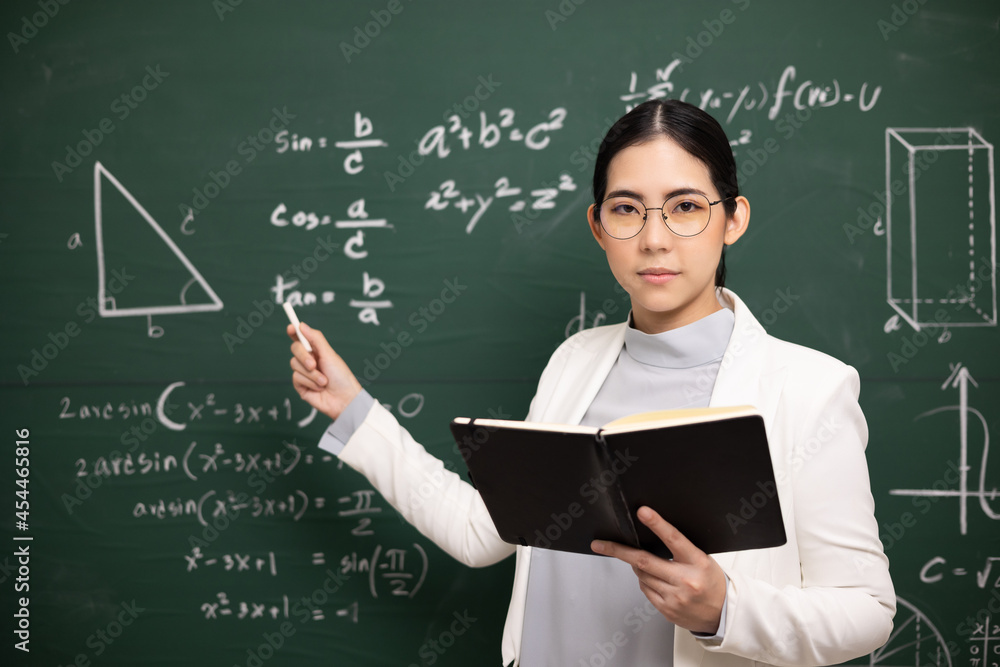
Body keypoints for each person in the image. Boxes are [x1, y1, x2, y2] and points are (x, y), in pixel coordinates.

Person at [287, 99, 895, 666]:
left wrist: (726, 610)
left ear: (732, 219)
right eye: (626, 209)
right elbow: (483, 532)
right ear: (598, 225)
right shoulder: (575, 361)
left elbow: (866, 611)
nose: (654, 238)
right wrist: (350, 406)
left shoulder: (809, 388)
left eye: (685, 207)